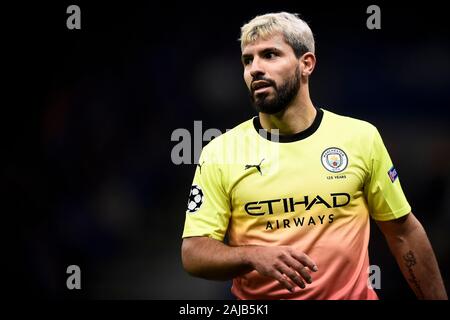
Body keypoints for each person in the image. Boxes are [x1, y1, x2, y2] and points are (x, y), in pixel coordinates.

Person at [180, 12, 448, 300]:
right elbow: (194, 253)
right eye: (248, 60)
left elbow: (403, 232)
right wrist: (251, 255)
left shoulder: (360, 137)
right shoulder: (220, 152)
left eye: (270, 55)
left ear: (306, 64)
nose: (255, 68)